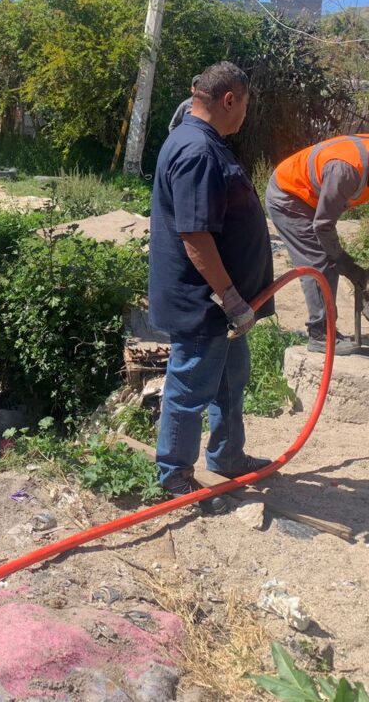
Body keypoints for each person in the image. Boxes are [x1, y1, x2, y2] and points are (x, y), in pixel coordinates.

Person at [148, 61, 276, 511]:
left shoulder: (200, 140)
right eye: (245, 105)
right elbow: (196, 235)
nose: (245, 115)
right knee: (189, 389)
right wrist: (232, 297)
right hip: (206, 301)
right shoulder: (198, 151)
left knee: (229, 381)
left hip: (223, 302)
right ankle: (174, 476)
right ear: (229, 100)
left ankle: (227, 455)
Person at [266, 132, 369, 355]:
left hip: (313, 196)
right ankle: (320, 334)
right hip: (289, 196)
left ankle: (325, 327)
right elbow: (323, 225)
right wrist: (343, 261)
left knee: (327, 258)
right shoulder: (345, 171)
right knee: (320, 262)